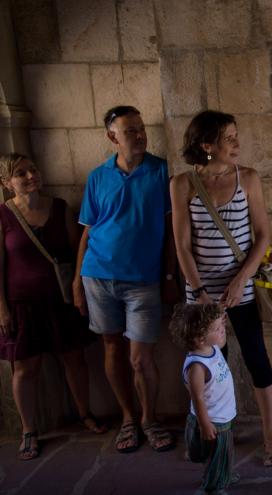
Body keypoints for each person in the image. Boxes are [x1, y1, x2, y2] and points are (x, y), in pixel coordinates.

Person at [170, 110, 272, 466]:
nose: (237, 144)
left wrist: (240, 279)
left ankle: (270, 436)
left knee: (256, 358)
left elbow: (262, 236)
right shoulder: (182, 185)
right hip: (199, 290)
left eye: (235, 136)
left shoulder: (248, 178)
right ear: (207, 145)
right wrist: (200, 292)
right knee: (207, 363)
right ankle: (213, 432)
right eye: (228, 138)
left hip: (241, 286)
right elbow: (182, 246)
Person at [73, 105, 177, 454]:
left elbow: (173, 233)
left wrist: (169, 274)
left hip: (144, 281)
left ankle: (150, 419)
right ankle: (129, 419)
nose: (139, 135)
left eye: (140, 128)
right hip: (98, 276)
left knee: (140, 358)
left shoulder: (162, 172)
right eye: (129, 130)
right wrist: (76, 282)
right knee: (112, 348)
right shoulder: (98, 176)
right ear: (112, 137)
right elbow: (88, 232)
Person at [0, 154, 107, 460]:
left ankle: (85, 413)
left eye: (33, 169)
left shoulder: (59, 208)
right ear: (7, 183)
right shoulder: (3, 215)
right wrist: (2, 309)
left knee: (74, 359)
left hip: (60, 300)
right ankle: (28, 430)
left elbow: (77, 253)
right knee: (25, 368)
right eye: (21, 174)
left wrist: (80, 289)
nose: (31, 176)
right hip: (22, 303)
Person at [170, 303, 239, 494]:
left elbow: (222, 340)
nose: (223, 330)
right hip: (213, 419)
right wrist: (205, 424)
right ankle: (214, 486)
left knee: (223, 451)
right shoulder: (197, 367)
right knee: (219, 452)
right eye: (218, 329)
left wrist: (219, 318)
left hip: (222, 413)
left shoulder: (212, 347)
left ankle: (222, 473)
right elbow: (198, 398)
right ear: (200, 339)